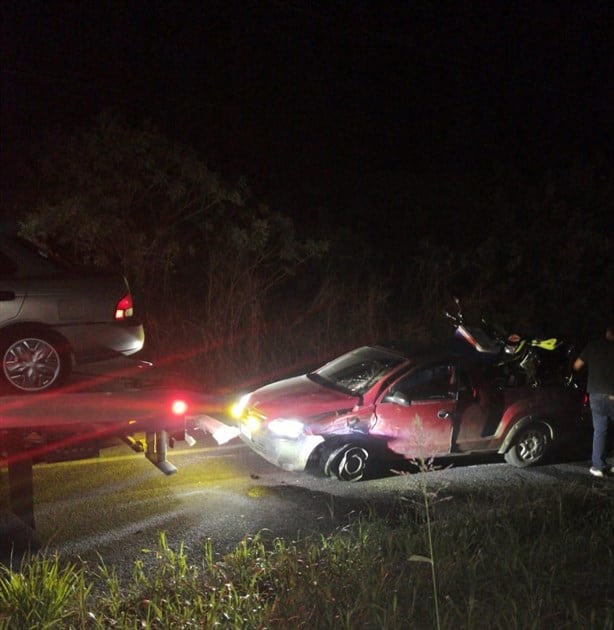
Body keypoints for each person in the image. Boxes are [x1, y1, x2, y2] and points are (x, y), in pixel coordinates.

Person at [573, 325, 614, 478]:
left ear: (607, 331)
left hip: (596, 395)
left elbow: (577, 365)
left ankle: (598, 467)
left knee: (600, 431)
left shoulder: (593, 346)